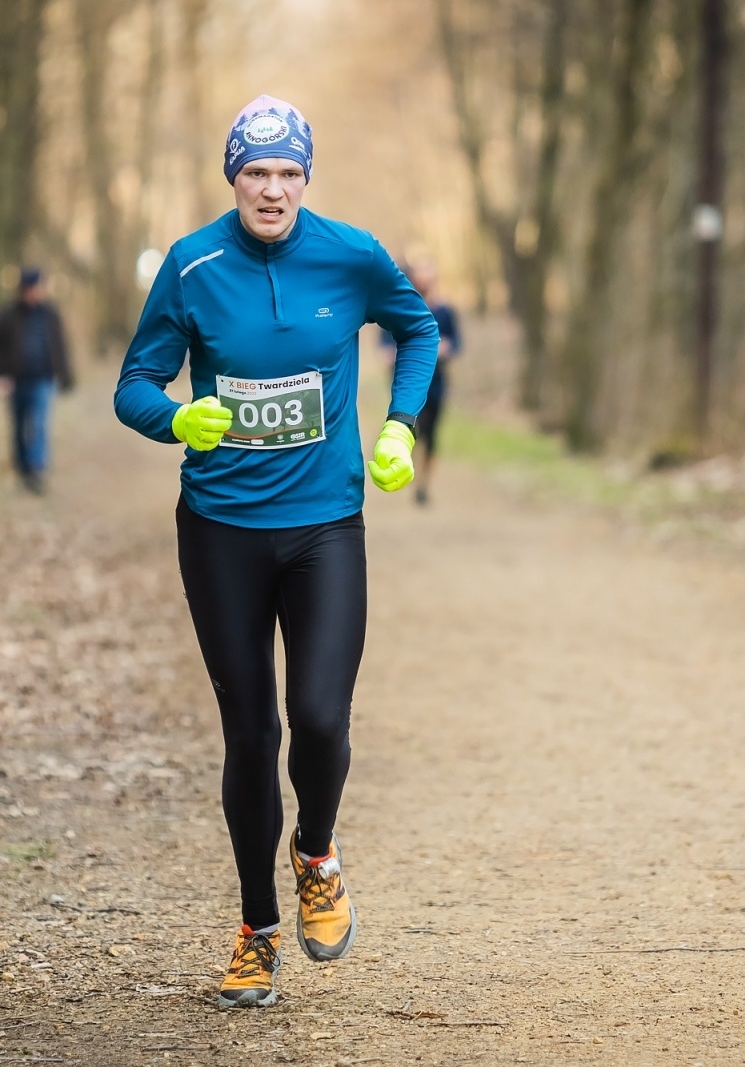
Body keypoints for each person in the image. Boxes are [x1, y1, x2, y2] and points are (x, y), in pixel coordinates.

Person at [113, 95, 438, 1008]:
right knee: (252, 732)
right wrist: (178, 416)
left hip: (326, 526)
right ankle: (256, 926)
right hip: (220, 533)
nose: (273, 189)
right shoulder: (192, 264)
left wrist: (401, 424)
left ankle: (318, 854)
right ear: (233, 178)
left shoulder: (352, 254)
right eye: (256, 172)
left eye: (288, 172)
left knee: (323, 718)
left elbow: (419, 328)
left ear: (306, 177)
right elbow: (132, 384)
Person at [0, 267, 74, 494]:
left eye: (38, 289)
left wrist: (66, 376)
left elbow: (60, 347)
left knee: (39, 425)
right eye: (31, 289)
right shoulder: (7, 315)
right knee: (18, 427)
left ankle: (36, 471)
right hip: (15, 381)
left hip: (43, 379)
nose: (35, 293)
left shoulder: (50, 314)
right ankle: (23, 468)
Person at [380, 258, 460, 505]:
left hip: (437, 382)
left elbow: (457, 343)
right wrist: (390, 353)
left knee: (432, 436)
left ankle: (423, 486)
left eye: (429, 275)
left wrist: (447, 347)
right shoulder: (401, 308)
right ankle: (404, 473)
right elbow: (384, 342)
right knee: (411, 432)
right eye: (420, 276)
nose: (425, 281)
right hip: (407, 383)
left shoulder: (445, 311)